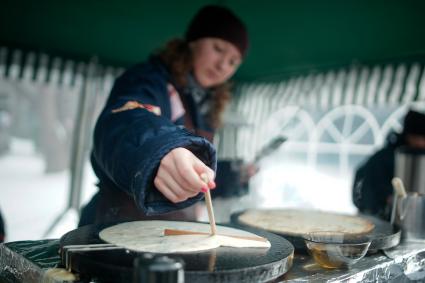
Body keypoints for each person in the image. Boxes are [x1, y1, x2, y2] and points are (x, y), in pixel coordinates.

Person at [79, 5, 249, 226]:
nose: (222, 66)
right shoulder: (148, 80)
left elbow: (189, 176)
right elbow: (127, 120)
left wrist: (230, 176)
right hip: (117, 225)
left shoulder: (207, 106)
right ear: (193, 42)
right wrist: (159, 150)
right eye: (218, 49)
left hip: (175, 230)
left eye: (233, 62)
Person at [352, 109, 425, 220]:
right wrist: (389, 199)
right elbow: (365, 185)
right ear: (410, 136)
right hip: (377, 218)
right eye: (421, 138)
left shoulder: (416, 156)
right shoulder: (388, 157)